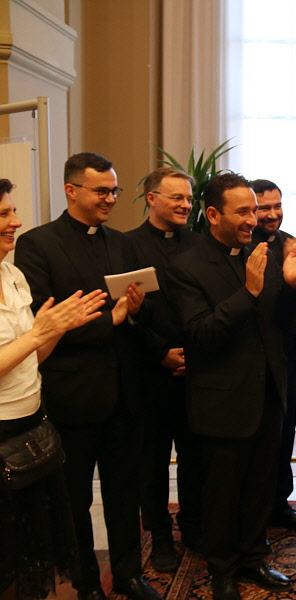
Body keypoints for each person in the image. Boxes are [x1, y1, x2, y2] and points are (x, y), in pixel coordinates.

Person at [15, 152, 158, 600]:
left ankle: (131, 574)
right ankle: (87, 583)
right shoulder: (38, 244)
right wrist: (110, 320)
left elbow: (139, 305)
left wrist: (134, 312)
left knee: (124, 493)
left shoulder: (122, 242)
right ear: (71, 190)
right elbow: (44, 323)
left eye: (114, 190)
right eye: (102, 191)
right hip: (72, 394)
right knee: (74, 499)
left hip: (124, 394)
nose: (111, 199)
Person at [167, 173, 296, 600]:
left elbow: (280, 323)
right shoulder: (186, 267)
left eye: (255, 210)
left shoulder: (261, 254)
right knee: (223, 492)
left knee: (260, 484)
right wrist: (247, 292)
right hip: (222, 399)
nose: (254, 219)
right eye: (244, 211)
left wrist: (288, 284)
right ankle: (223, 570)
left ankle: (253, 557)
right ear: (213, 215)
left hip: (269, 391)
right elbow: (201, 335)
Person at [0, 179, 106, 600]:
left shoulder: (12, 274)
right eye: (5, 214)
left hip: (33, 428)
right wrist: (38, 334)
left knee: (32, 555)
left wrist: (58, 329)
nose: (17, 222)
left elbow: (32, 360)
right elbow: (24, 346)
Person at [126, 167, 203, 570]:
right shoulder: (126, 246)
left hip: (196, 370)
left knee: (195, 457)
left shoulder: (199, 244)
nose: (185, 206)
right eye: (176, 198)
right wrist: (162, 354)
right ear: (152, 198)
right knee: (151, 462)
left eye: (189, 199)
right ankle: (159, 539)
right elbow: (127, 314)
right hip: (149, 372)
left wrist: (192, 355)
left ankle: (192, 527)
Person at [248, 178, 296, 533]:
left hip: (286, 353)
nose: (272, 214)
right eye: (263, 208)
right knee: (257, 440)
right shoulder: (241, 245)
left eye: (277, 206)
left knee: (285, 436)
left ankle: (279, 505)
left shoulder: (292, 244)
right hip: (252, 358)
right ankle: (253, 511)